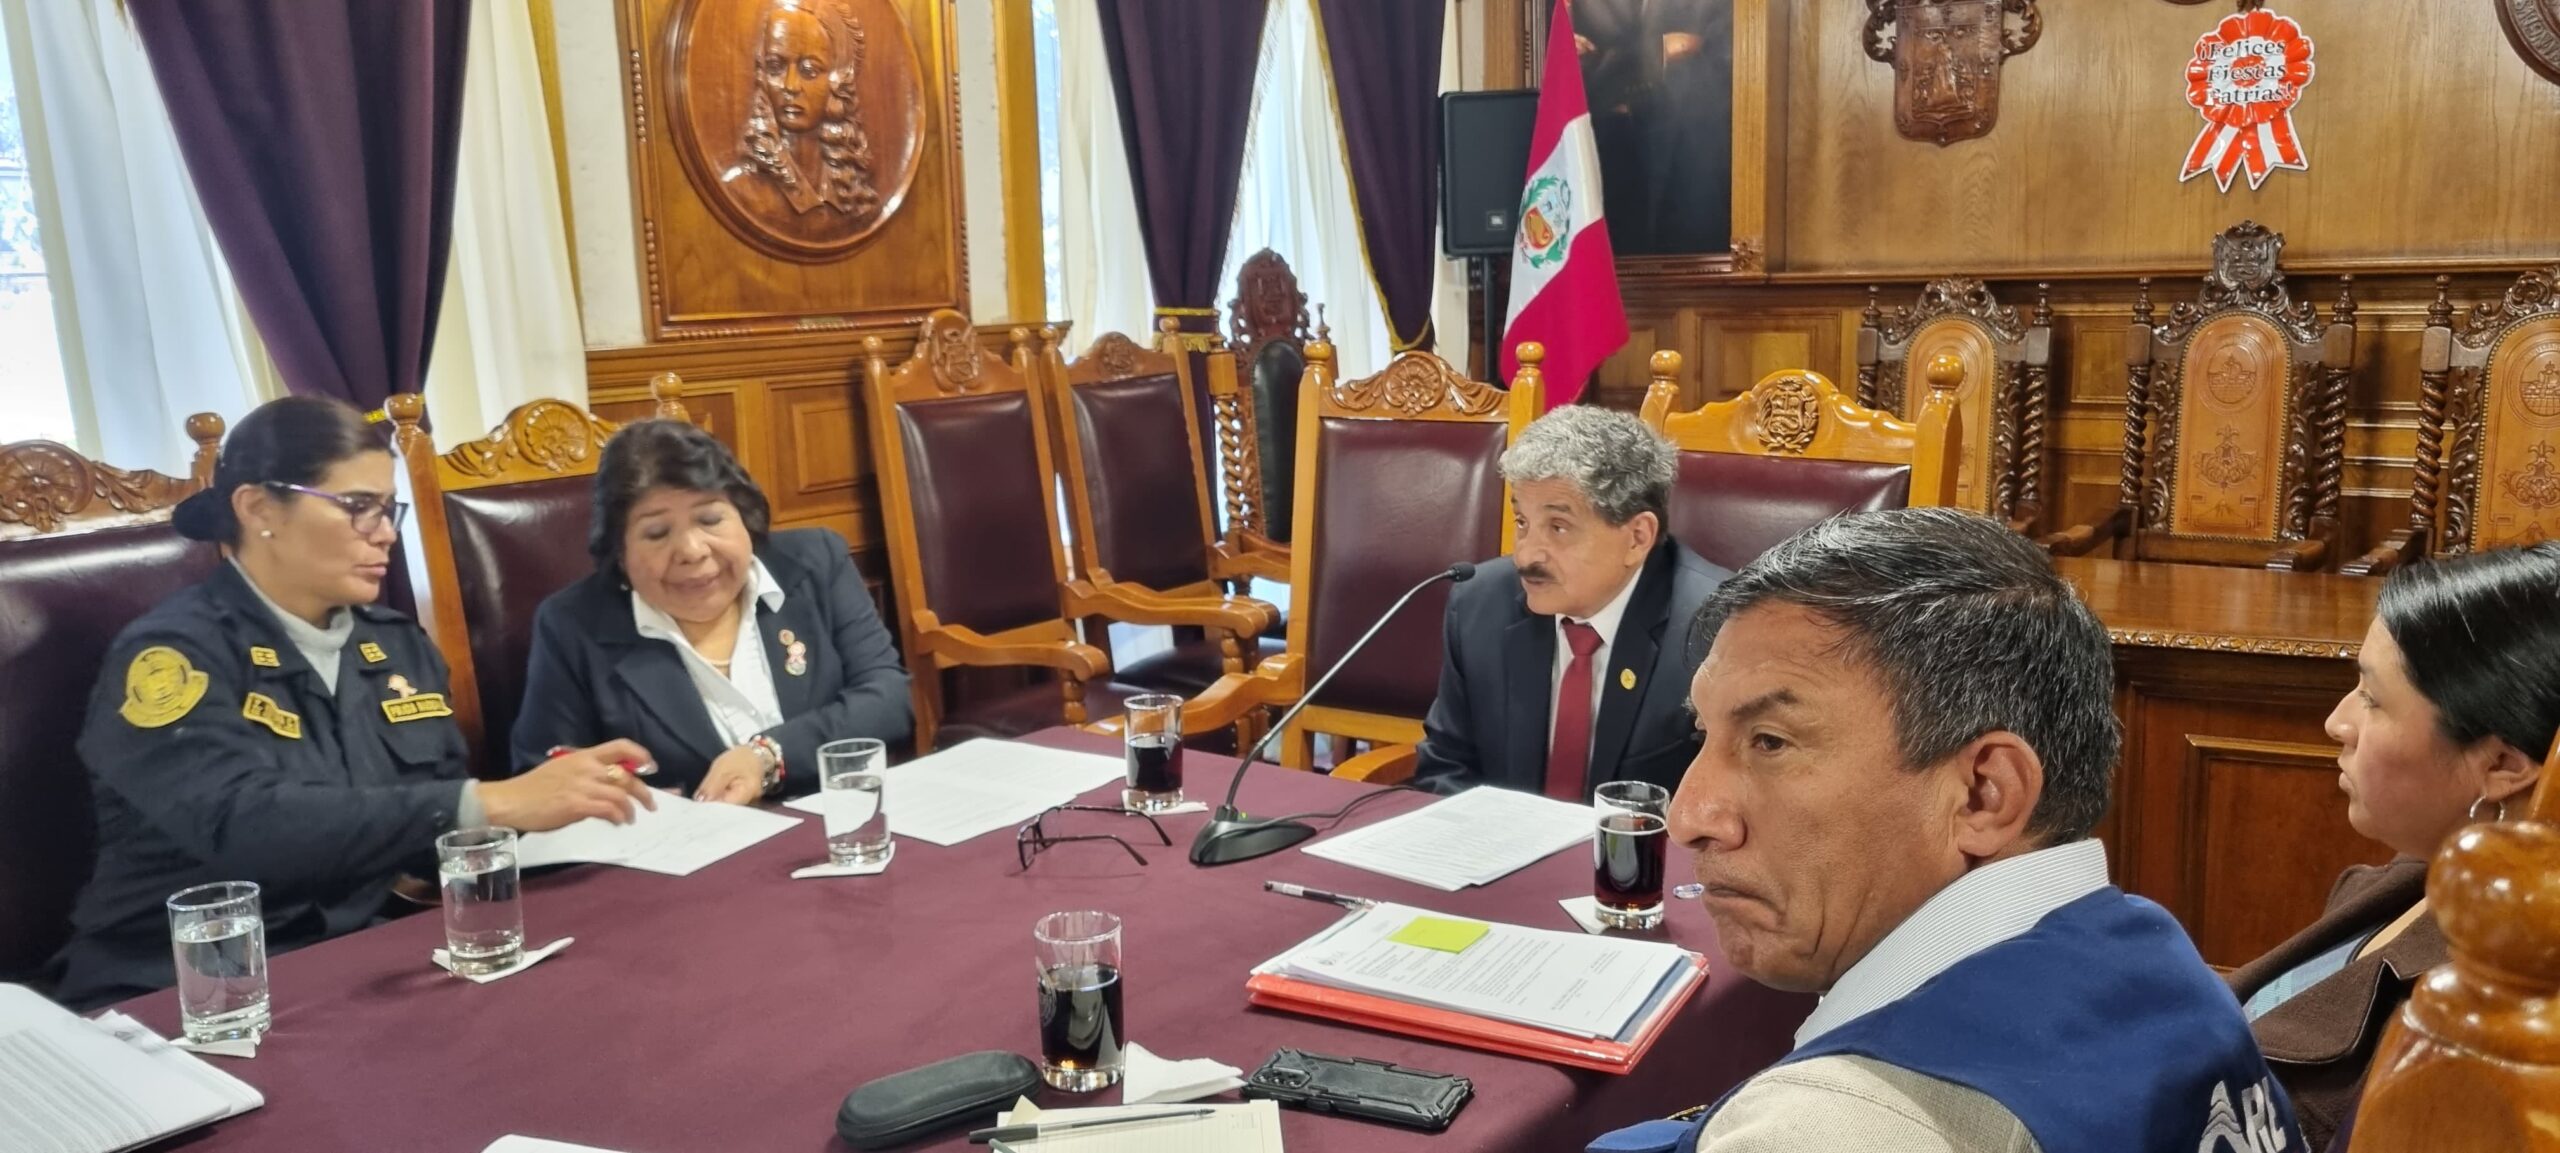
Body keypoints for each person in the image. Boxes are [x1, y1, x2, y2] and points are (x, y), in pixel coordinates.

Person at [1593, 509, 2303, 1153]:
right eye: (1705, 734)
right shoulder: (2162, 960)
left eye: (1770, 742)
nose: (1689, 817)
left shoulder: (1835, 1128)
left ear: (1984, 794)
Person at [55, 397, 656, 1009]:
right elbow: (242, 825)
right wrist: (493, 801)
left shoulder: (396, 647)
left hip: (351, 967)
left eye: (386, 508)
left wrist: (561, 800)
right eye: (356, 507)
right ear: (259, 508)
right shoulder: (172, 656)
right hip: (179, 987)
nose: (386, 532)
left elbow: (420, 834)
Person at [2225, 543, 2556, 1150]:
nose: (2337, 722)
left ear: (2503, 765)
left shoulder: (2480, 1023)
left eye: (2373, 699)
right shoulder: (2409, 880)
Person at [512, 419, 911, 802]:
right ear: (620, 552)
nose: (691, 550)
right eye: (657, 533)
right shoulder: (572, 625)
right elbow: (542, 782)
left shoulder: (816, 561)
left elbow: (888, 700)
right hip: (679, 844)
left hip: (839, 823)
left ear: (745, 516)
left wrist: (768, 756)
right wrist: (618, 798)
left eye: (710, 519)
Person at [1412, 406, 1728, 800]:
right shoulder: (1480, 604)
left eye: (1558, 527)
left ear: (1637, 537)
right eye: (1522, 522)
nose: (1526, 555)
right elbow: (1445, 768)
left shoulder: (1716, 629)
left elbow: (1730, 803)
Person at [719, 0, 880, 224]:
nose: (791, 86)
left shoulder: (856, 193)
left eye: (809, 70)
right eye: (775, 67)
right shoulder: (745, 190)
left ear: (839, 80)